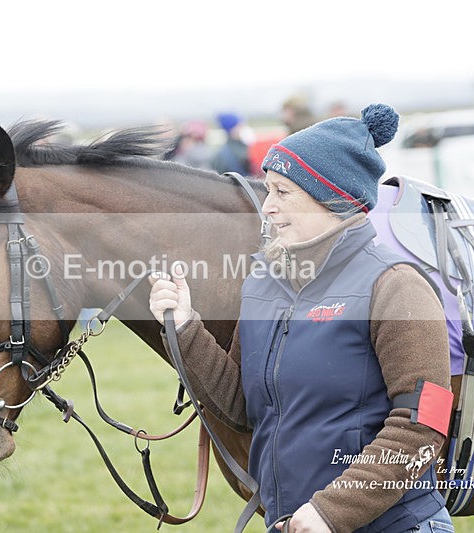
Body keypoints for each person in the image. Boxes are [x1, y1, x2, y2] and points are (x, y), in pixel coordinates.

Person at [149, 104, 454, 532]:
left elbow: (424, 428)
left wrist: (334, 510)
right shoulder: (262, 284)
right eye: (267, 190)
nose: (267, 207)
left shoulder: (396, 286)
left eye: (282, 192)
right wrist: (184, 326)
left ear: (332, 197)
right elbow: (241, 406)